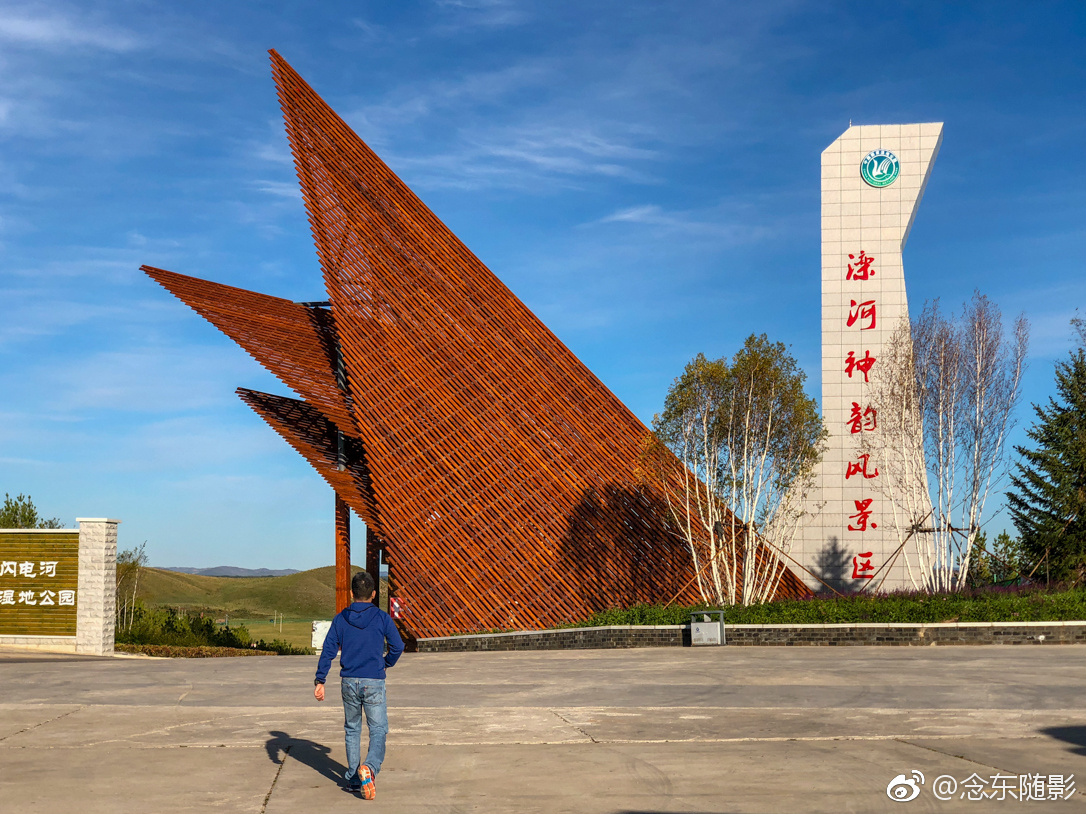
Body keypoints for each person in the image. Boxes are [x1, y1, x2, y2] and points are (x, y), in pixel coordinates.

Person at [314, 569, 405, 799]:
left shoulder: (341, 619)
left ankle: (355, 779)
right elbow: (398, 646)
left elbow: (328, 649)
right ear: (373, 594)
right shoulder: (382, 618)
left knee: (353, 729)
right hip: (373, 680)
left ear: (351, 593)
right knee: (378, 729)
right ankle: (370, 768)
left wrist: (320, 680)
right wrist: (386, 663)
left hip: (348, 682)